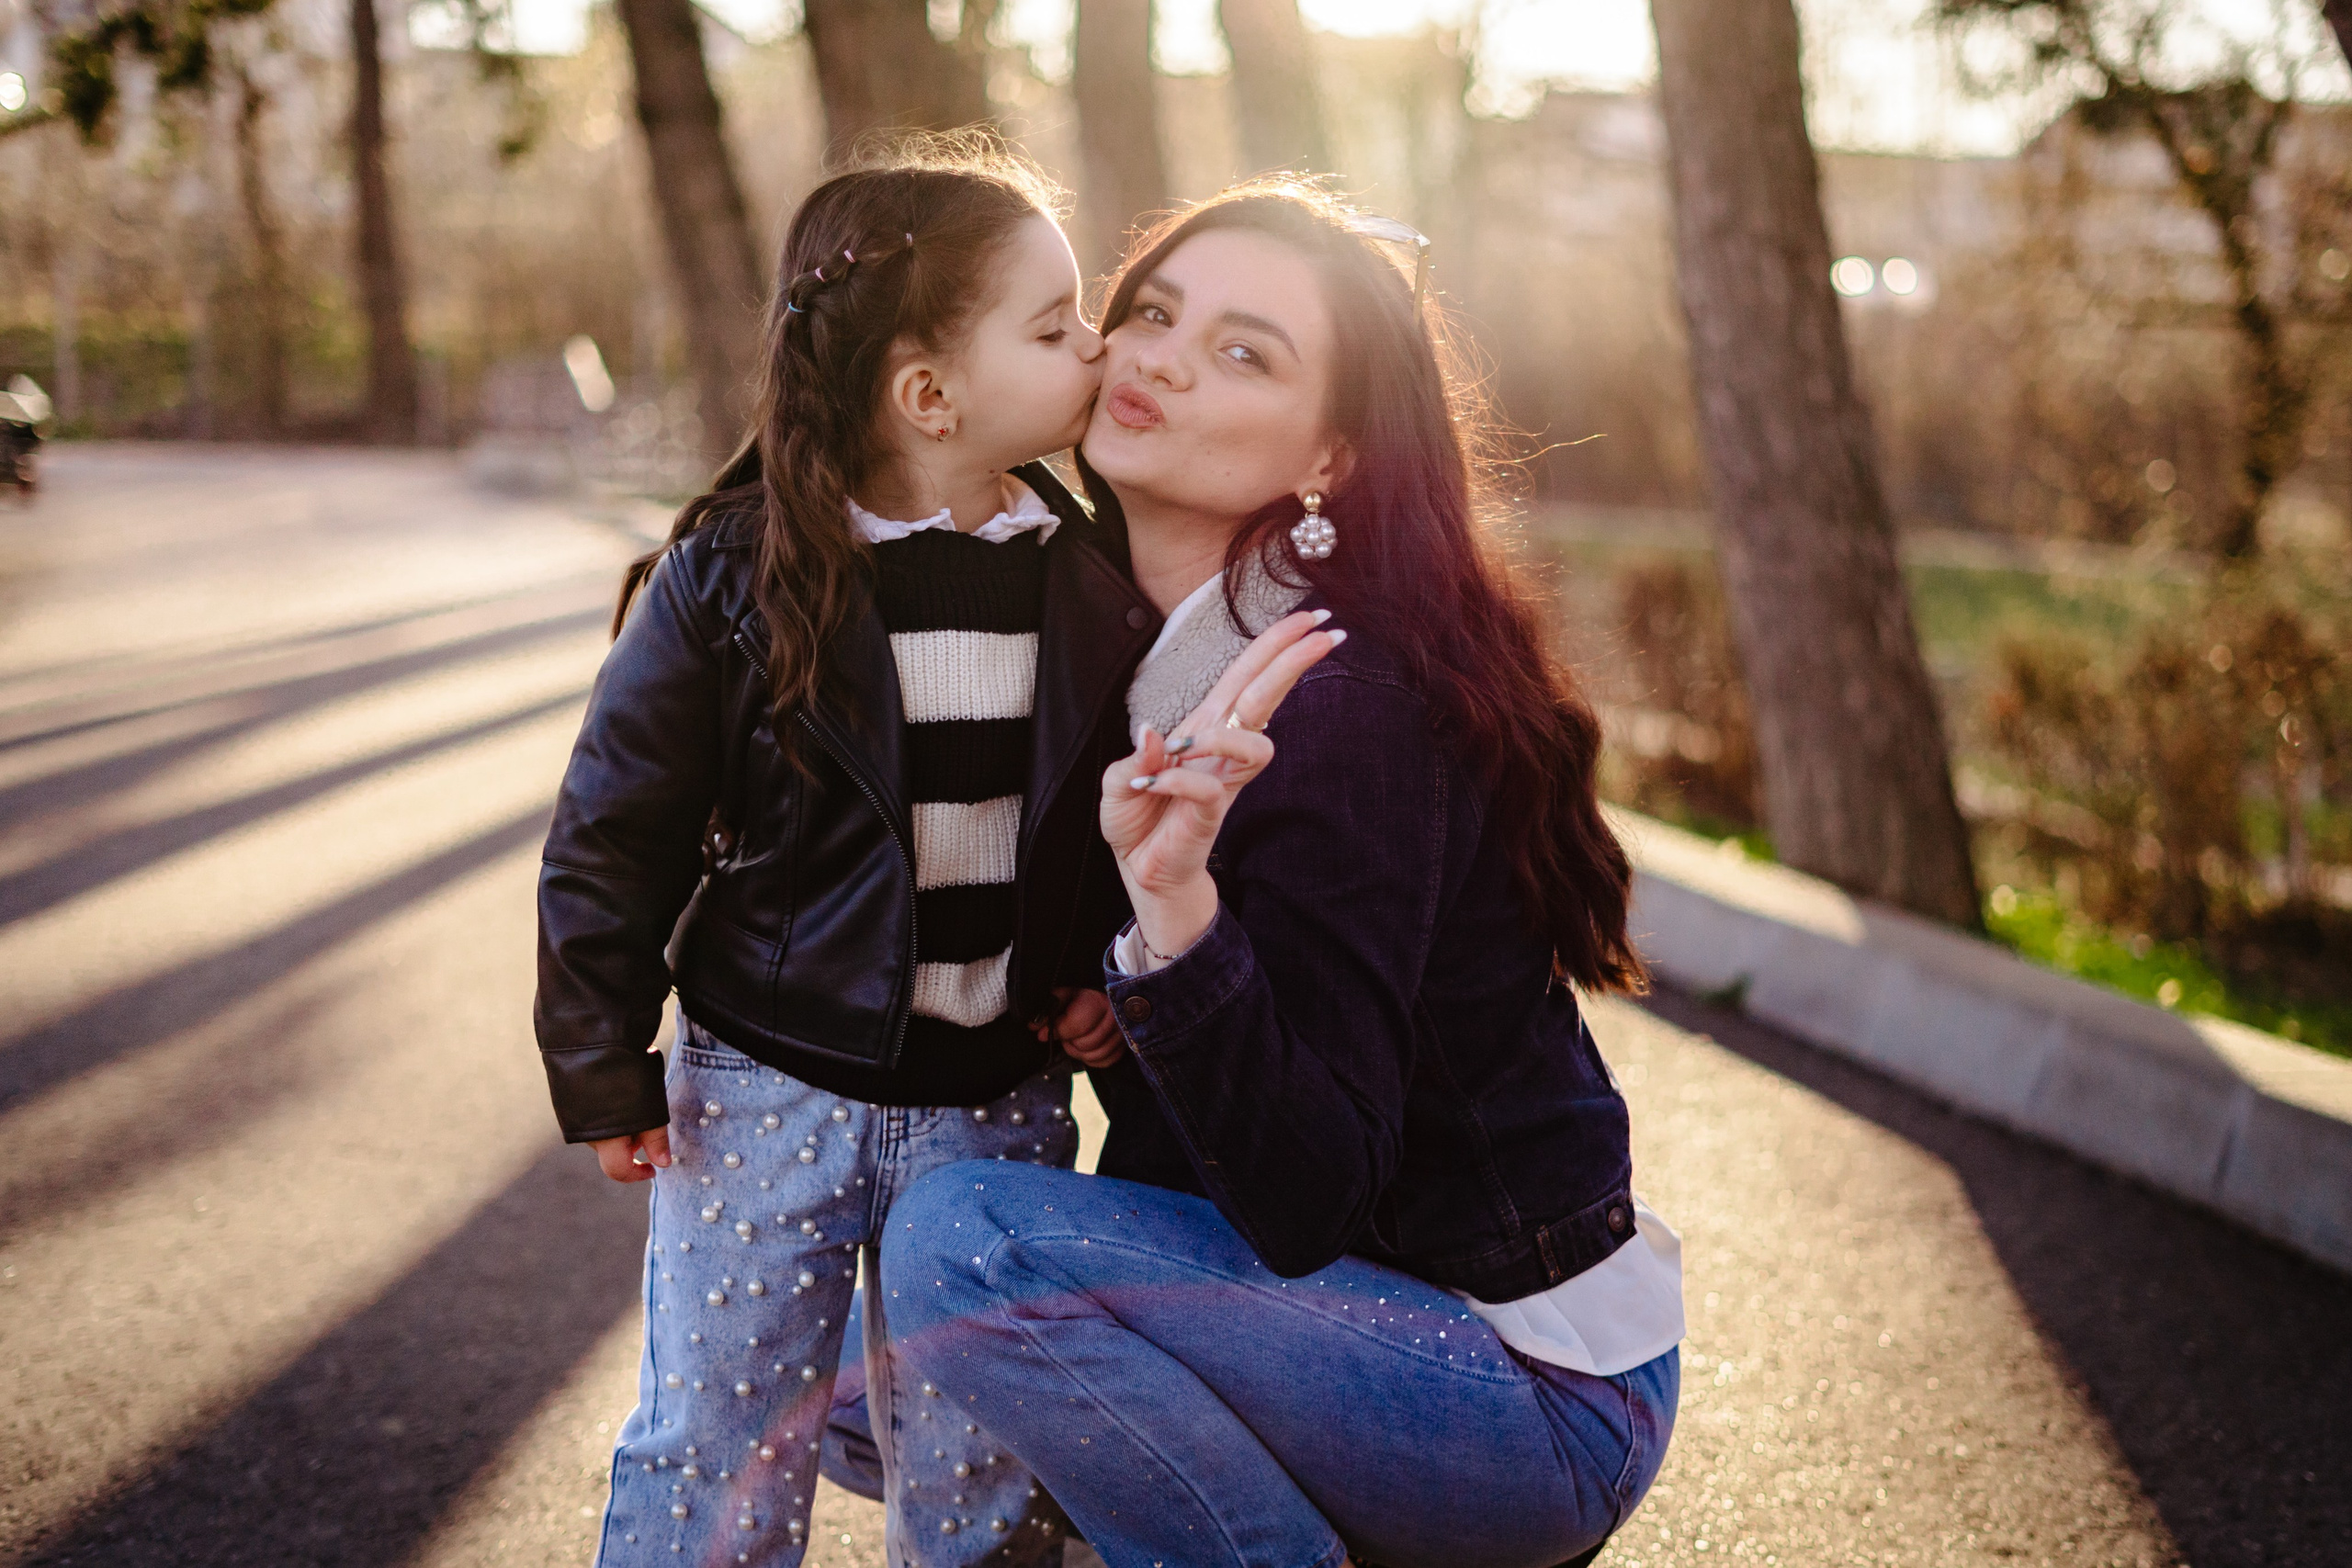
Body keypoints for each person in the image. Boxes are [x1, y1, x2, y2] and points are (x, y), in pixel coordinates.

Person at [877, 182, 1687, 1568]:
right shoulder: (1135, 655)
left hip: (1515, 1388)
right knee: (858, 1370)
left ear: (1337, 459)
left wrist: (1177, 925)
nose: (1162, 360)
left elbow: (1309, 1200)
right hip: (1337, 1322)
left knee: (964, 1251)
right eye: (1152, 313)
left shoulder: (1337, 706)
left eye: (1246, 352)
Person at [535, 142, 1155, 1568]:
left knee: (986, 1469)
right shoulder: (737, 580)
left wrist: (1088, 970)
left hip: (989, 1111)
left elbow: (1086, 820)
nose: (1097, 345)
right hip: (763, 1091)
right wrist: (600, 1058)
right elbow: (610, 831)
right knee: (715, 1449)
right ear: (930, 394)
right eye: (1055, 328)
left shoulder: (1090, 582)